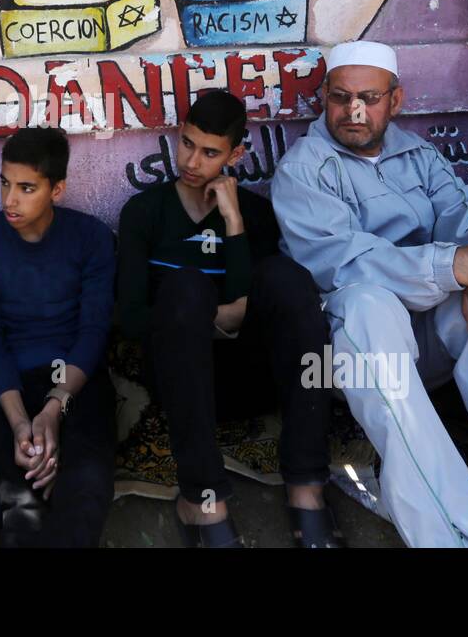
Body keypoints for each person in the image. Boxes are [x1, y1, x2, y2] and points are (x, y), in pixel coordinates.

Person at [272, 40, 468, 548]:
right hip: (354, 353)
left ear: (395, 101)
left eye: (369, 97)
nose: (354, 110)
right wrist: (461, 265)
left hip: (426, 333)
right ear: (323, 98)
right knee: (366, 303)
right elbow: (347, 263)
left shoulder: (419, 155)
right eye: (340, 96)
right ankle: (450, 537)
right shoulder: (303, 170)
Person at [116, 89, 341, 548]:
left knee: (288, 277)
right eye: (186, 143)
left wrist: (234, 224)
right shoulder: (145, 213)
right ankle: (203, 500)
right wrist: (205, 314)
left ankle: (306, 486)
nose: (192, 161)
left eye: (211, 152)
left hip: (252, 381)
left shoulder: (255, 215)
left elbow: (255, 310)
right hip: (180, 382)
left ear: (237, 154)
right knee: (186, 286)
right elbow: (131, 318)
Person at [0, 127, 117, 547]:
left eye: (27, 188)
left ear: (57, 189)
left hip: (75, 381)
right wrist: (20, 425)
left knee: (85, 490)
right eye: (5, 184)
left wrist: (52, 412)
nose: (10, 199)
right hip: (3, 384)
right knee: (19, 506)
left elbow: (93, 331)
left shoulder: (92, 239)